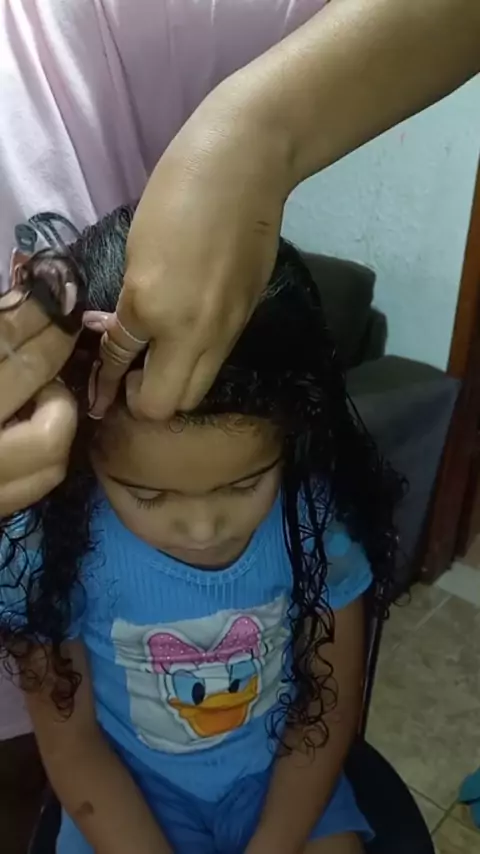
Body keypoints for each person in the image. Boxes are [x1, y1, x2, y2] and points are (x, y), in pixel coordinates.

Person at [0, 204, 403, 854]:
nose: (202, 528)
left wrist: (274, 842)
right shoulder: (52, 550)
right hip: (125, 802)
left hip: (280, 791)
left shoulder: (313, 520)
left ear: (292, 439)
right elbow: (73, 748)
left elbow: (326, 708)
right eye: (147, 494)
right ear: (81, 454)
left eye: (244, 484)